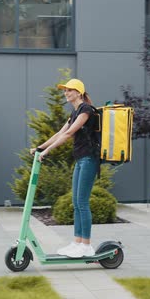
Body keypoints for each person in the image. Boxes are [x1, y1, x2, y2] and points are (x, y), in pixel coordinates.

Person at [30, 78, 99, 258]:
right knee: (76, 203)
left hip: (89, 160)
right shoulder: (75, 112)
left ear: (79, 92)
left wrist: (48, 152)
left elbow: (69, 134)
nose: (66, 93)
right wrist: (40, 148)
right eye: (65, 90)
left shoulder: (86, 110)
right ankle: (77, 243)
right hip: (81, 160)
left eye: (69, 90)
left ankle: (86, 245)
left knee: (82, 203)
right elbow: (60, 133)